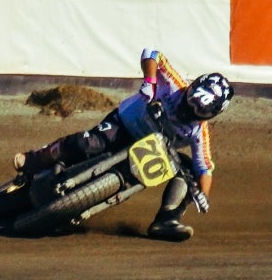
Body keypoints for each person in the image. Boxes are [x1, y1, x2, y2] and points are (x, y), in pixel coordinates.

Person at [12, 51, 230, 241]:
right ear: (191, 88)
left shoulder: (199, 131)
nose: (189, 110)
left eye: (199, 111)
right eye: (191, 101)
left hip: (152, 151)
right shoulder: (174, 84)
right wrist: (150, 81)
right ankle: (34, 158)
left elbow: (205, 168)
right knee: (86, 143)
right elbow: (152, 53)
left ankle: (167, 220)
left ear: (211, 115)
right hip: (122, 125)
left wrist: (203, 195)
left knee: (189, 170)